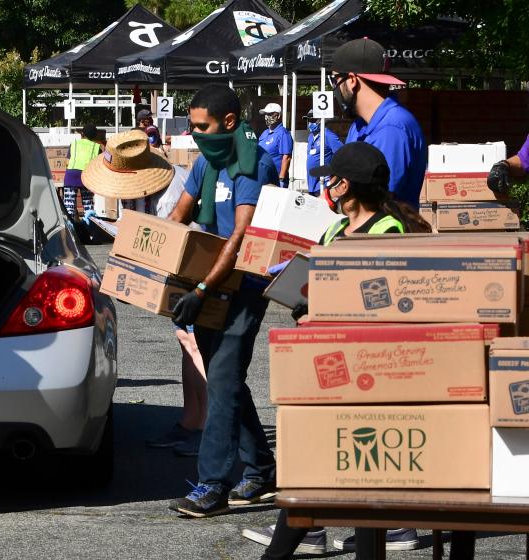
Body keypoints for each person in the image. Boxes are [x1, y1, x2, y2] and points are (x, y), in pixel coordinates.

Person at [243, 142, 433, 559]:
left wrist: (322, 306)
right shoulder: (333, 230)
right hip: (328, 361)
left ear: (345, 184)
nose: (325, 184)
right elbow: (324, 278)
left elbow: (378, 302)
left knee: (354, 478)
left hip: (366, 367)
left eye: (331, 177)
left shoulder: (388, 232)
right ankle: (296, 541)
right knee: (313, 471)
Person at [164, 84, 279, 518]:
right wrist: (160, 258)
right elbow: (179, 216)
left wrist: (200, 291)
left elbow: (241, 237)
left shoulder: (253, 166)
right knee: (223, 379)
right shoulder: (206, 164)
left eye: (201, 126)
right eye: (191, 126)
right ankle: (263, 470)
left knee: (225, 378)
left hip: (245, 288)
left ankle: (212, 484)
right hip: (208, 286)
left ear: (228, 122)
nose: (195, 134)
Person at [82, 130, 205, 456]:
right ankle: (190, 423)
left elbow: (167, 235)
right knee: (186, 343)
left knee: (196, 345)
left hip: (191, 269)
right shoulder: (137, 190)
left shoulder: (174, 187)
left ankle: (204, 428)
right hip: (171, 271)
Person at [330, 37, 426, 208]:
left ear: (352, 80)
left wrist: (333, 196)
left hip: (386, 232)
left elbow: (377, 197)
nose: (335, 87)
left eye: (335, 79)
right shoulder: (360, 124)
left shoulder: (392, 127)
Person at [62, 124, 101, 219]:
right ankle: (89, 229)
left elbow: (67, 162)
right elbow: (99, 166)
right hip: (86, 177)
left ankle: (69, 230)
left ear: (82, 134)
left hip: (71, 175)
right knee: (88, 207)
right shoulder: (97, 147)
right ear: (94, 136)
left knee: (69, 208)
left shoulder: (74, 144)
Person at [302, 109, 343, 196]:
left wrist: (332, 178)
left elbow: (342, 155)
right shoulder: (310, 137)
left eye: (312, 120)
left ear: (320, 120)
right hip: (311, 184)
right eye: (308, 120)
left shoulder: (328, 135)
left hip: (323, 183)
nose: (310, 123)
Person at [257, 103, 292, 188]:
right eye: (266, 114)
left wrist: (281, 179)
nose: (267, 117)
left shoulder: (283, 133)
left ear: (278, 116)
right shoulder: (264, 133)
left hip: (275, 180)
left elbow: (286, 157)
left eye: (270, 114)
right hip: (262, 177)